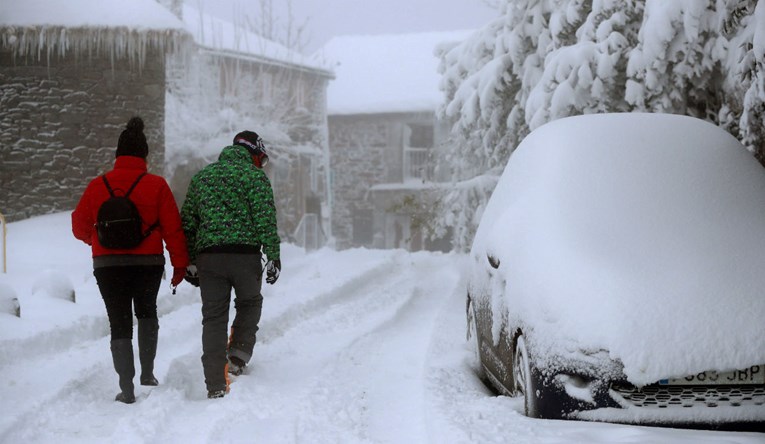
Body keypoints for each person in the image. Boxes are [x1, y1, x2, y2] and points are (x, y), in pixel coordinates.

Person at [72, 116, 189, 404]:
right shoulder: (157, 185)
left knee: (119, 322)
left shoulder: (97, 186)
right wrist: (179, 264)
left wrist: (97, 240)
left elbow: (78, 226)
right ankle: (147, 373)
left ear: (118, 155)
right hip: (148, 263)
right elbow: (173, 228)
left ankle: (126, 388)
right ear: (144, 156)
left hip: (108, 266)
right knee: (147, 312)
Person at [181, 130, 281, 399]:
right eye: (261, 159)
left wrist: (189, 261)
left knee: (213, 317)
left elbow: (188, 222)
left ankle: (215, 383)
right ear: (254, 153)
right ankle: (236, 357)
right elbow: (265, 219)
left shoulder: (203, 177)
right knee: (250, 303)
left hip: (209, 258)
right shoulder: (254, 177)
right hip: (245, 257)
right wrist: (273, 254)